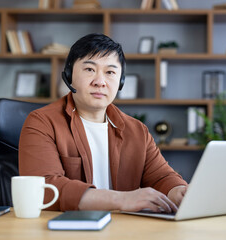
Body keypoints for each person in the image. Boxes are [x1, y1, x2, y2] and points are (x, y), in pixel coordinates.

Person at [19, 33, 187, 213]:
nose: (100, 82)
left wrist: (179, 191)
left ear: (121, 81)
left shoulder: (137, 130)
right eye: (89, 69)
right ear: (69, 75)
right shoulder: (42, 123)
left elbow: (161, 177)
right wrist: (121, 199)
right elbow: (43, 188)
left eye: (110, 72)